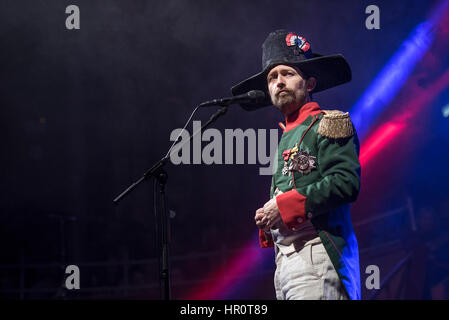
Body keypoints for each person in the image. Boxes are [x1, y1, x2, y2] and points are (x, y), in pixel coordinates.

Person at [231, 30, 361, 300]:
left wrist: (284, 207)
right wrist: (269, 218)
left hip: (319, 257)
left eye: (287, 74)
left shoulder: (329, 123)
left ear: (310, 83)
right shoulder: (285, 135)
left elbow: (345, 182)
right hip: (286, 264)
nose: (279, 82)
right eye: (272, 78)